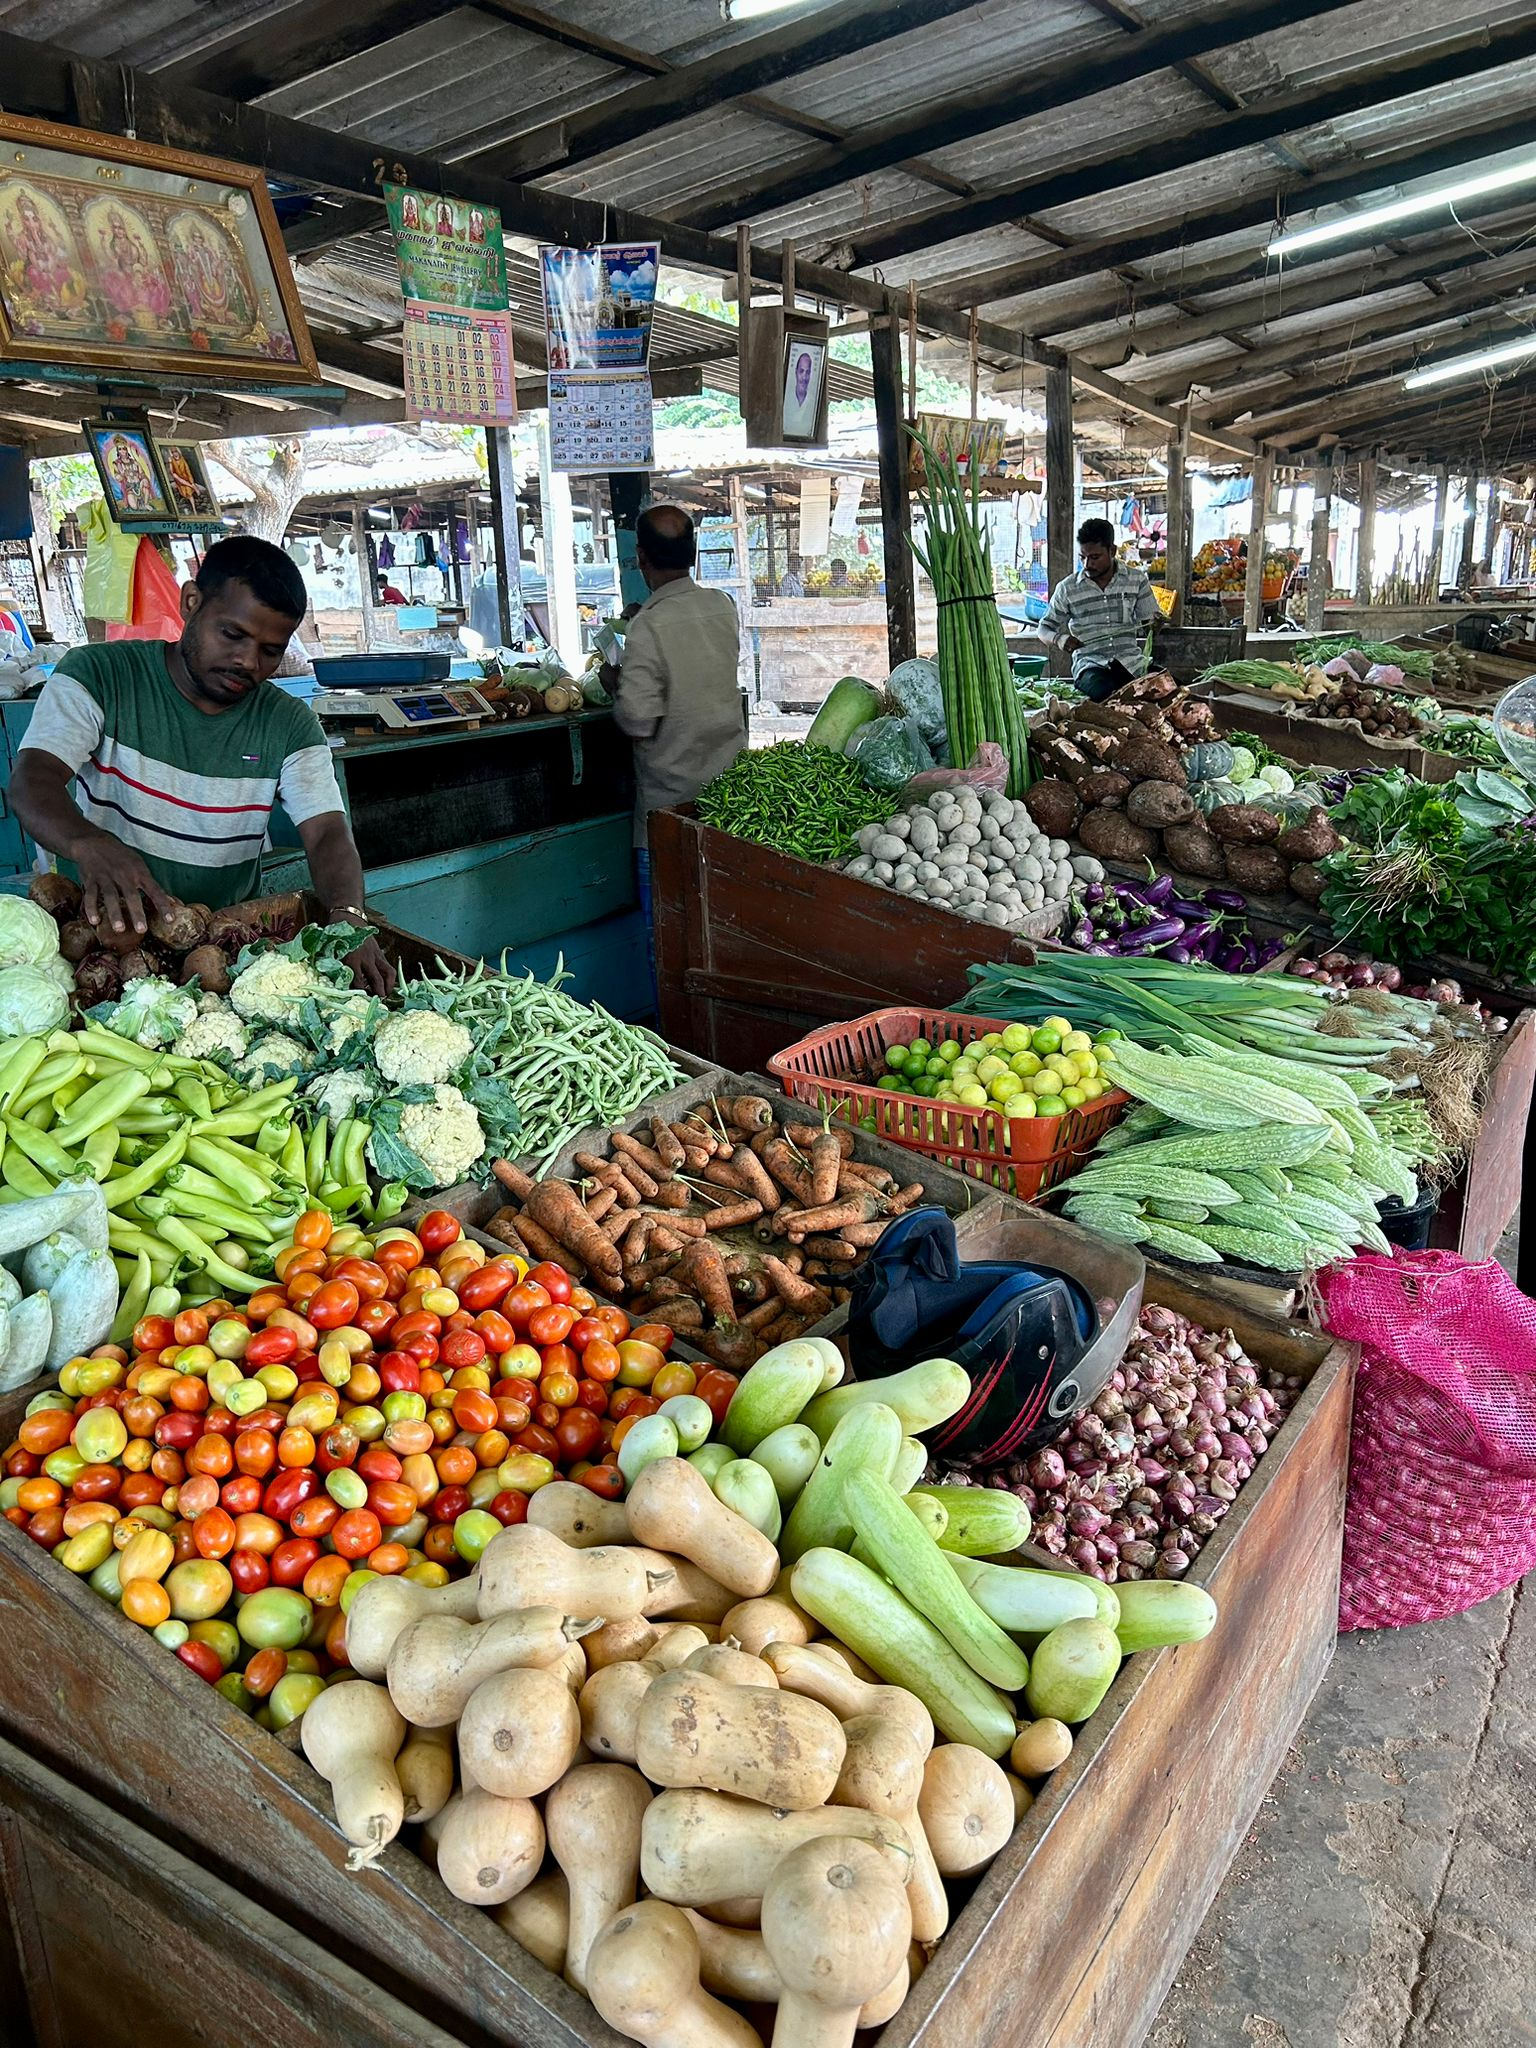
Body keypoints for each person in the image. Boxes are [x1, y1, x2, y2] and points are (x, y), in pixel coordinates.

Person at [11, 535, 393, 994]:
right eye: (232, 634)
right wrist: (90, 844)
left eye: (270, 650)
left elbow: (328, 832)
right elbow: (32, 781)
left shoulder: (289, 723)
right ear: (191, 602)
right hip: (101, 947)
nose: (248, 661)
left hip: (222, 950)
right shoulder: (100, 675)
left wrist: (348, 919)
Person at [601, 505, 745, 932]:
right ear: (694, 554)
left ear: (641, 559)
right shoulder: (722, 606)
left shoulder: (649, 626)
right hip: (730, 804)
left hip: (671, 814)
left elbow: (637, 720)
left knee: (668, 943)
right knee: (721, 933)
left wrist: (615, 681)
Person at [1037, 517, 1161, 700]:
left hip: (1133, 664)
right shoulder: (1068, 588)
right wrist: (1060, 639)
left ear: (1112, 551)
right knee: (1108, 696)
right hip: (1091, 667)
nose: (1087, 564)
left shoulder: (1137, 580)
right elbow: (1043, 629)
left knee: (1171, 687)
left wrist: (1155, 624)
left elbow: (1150, 625)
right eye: (1083, 557)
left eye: (1095, 557)